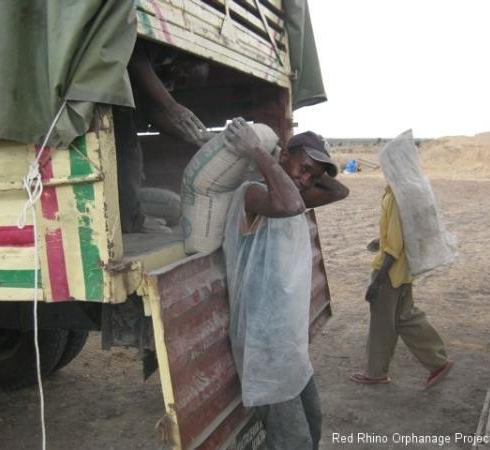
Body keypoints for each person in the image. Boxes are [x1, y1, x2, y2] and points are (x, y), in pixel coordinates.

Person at [222, 119, 349, 449]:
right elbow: (289, 203)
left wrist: (317, 173)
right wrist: (256, 148)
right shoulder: (253, 194)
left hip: (289, 347)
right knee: (293, 441)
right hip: (264, 347)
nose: (305, 180)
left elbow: (341, 191)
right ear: (283, 154)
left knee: (314, 424)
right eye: (303, 167)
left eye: (312, 176)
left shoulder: (294, 195)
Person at [350, 184, 455, 389]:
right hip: (402, 271)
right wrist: (381, 240)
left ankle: (376, 373)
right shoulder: (402, 192)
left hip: (390, 272)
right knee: (406, 318)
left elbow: (396, 244)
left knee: (382, 323)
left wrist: (378, 281)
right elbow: (402, 232)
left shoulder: (397, 196)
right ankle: (438, 362)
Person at [114, 38, 215, 232]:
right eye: (183, 78)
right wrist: (172, 106)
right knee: (129, 155)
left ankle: (131, 217)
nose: (175, 84)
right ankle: (131, 221)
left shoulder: (164, 72)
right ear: (185, 68)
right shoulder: (163, 50)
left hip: (121, 104)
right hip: (107, 96)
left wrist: (195, 137)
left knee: (130, 158)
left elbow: (152, 112)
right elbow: (134, 55)